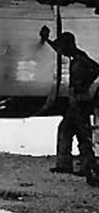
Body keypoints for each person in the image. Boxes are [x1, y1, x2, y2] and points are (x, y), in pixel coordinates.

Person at [40, 25, 99, 187]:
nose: (61, 52)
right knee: (72, 132)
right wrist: (47, 40)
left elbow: (96, 68)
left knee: (78, 133)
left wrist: (84, 84)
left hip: (80, 101)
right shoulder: (75, 57)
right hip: (76, 101)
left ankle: (86, 167)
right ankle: (79, 166)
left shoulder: (80, 58)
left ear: (68, 46)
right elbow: (59, 49)